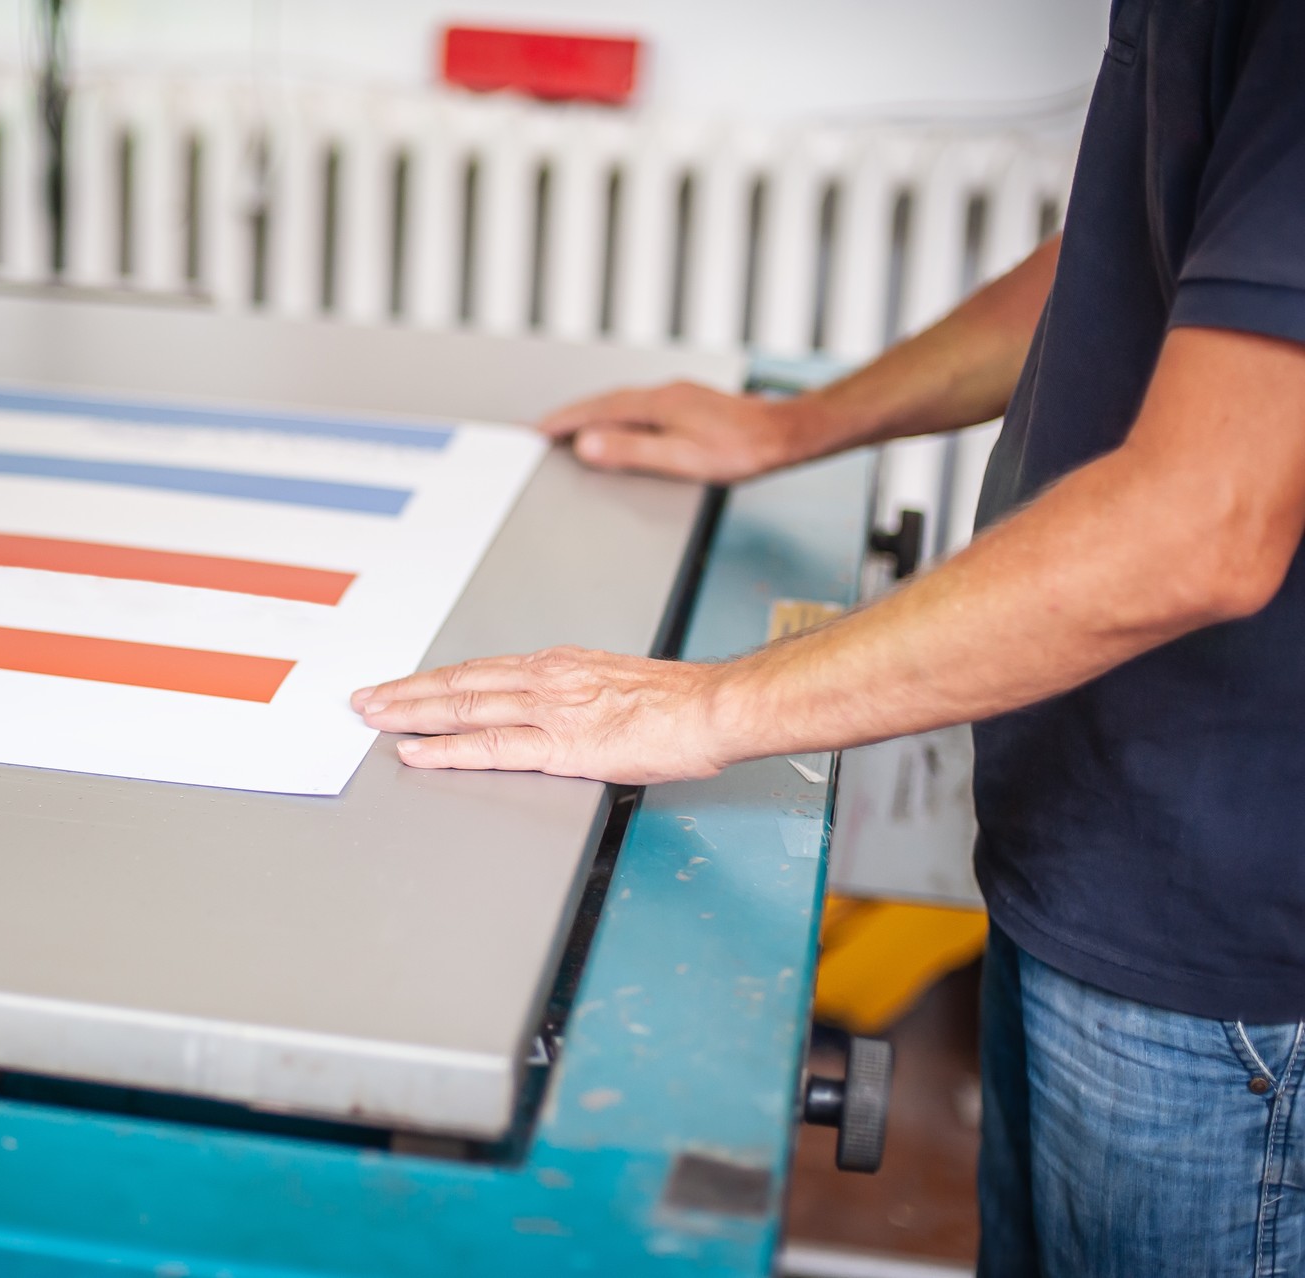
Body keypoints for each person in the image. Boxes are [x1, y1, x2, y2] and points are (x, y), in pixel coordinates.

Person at [353, 3, 1305, 1273]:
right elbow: (1143, 252)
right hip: (1092, 846)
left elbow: (1203, 523)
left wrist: (699, 709)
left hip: (1227, 956)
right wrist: (796, 427)